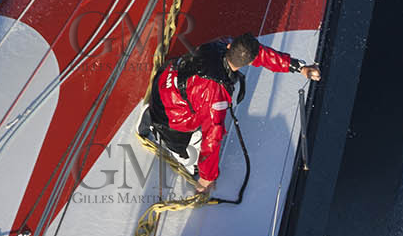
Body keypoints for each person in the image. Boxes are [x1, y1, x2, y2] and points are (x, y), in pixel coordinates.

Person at [136, 33, 321, 194]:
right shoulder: (215, 95)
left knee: (192, 108)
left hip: (167, 77)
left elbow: (258, 52)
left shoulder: (219, 45)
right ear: (248, 63)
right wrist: (207, 177)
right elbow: (212, 137)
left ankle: (155, 112)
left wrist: (298, 67)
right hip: (171, 114)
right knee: (190, 155)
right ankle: (158, 129)